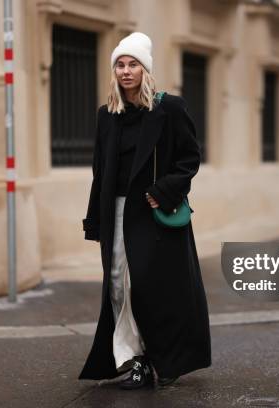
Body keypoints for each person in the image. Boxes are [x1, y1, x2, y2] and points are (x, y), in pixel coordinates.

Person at [78, 32, 211, 390]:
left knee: (151, 286)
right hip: (117, 212)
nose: (125, 71)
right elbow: (100, 173)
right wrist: (96, 220)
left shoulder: (169, 108)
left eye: (132, 64)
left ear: (145, 69)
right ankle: (133, 359)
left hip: (152, 214)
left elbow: (189, 158)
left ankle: (162, 355)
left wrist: (163, 190)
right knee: (119, 284)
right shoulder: (107, 115)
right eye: (120, 64)